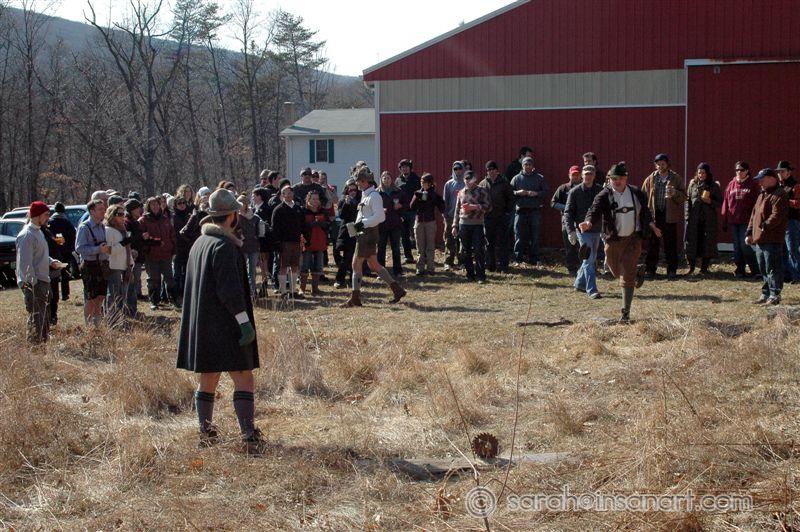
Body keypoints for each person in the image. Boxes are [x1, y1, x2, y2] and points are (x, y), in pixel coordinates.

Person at [176, 188, 264, 454]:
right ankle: (248, 435)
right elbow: (230, 291)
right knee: (244, 377)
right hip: (226, 324)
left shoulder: (200, 243)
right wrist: (244, 322)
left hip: (204, 324)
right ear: (232, 216)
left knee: (209, 378)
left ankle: (205, 432)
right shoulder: (223, 246)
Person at [580, 163, 662, 323]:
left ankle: (625, 314)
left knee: (627, 277)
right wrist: (588, 222)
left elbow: (645, 212)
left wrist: (652, 226)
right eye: (614, 179)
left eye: (620, 178)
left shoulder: (636, 193)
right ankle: (635, 274)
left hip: (633, 239)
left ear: (626, 178)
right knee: (616, 271)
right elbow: (594, 210)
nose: (617, 181)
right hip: (614, 239)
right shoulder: (604, 195)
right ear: (609, 179)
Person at [341, 167, 407, 307]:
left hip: (367, 234)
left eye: (359, 181)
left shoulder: (374, 196)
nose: (357, 184)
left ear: (365, 181)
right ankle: (397, 290)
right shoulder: (366, 194)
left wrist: (361, 224)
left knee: (356, 265)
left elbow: (380, 217)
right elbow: (365, 214)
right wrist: (357, 226)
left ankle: (355, 298)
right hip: (365, 233)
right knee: (373, 264)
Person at [16, 201, 62, 343]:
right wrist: (33, 285)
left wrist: (51, 261)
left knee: (44, 320)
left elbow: (39, 255)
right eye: (46, 214)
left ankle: (42, 347)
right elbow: (25, 264)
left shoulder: (39, 232)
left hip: (43, 280)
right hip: (34, 284)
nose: (48, 218)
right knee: (36, 320)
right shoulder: (27, 235)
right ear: (37, 215)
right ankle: (35, 349)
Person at [746, 168, 789, 305]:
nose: (760, 183)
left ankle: (775, 294)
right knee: (763, 267)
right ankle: (765, 293)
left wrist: (765, 225)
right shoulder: (762, 195)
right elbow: (754, 215)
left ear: (772, 179)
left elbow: (777, 215)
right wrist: (749, 232)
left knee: (773, 267)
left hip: (772, 238)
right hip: (760, 238)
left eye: (762, 180)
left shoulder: (780, 194)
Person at [641, 153, 686, 280]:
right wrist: (646, 214)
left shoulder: (675, 178)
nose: (660, 166)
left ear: (667, 164)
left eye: (663, 164)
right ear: (655, 165)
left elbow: (684, 197)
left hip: (669, 216)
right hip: (655, 216)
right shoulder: (650, 179)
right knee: (652, 245)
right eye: (658, 164)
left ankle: (672, 270)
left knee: (670, 244)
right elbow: (643, 196)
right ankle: (650, 270)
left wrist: (675, 193)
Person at [564, 165, 603, 298]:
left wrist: (605, 229)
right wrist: (570, 231)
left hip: (596, 229)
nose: (588, 176)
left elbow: (605, 210)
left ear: (594, 176)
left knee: (590, 259)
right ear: (582, 175)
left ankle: (579, 283)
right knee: (589, 258)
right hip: (582, 231)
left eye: (590, 174)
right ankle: (592, 290)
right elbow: (568, 213)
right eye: (586, 174)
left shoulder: (600, 191)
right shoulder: (575, 192)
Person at [722, 162, 760, 278]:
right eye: (737, 170)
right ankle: (740, 269)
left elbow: (758, 204)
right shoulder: (731, 184)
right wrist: (724, 220)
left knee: (745, 245)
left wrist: (756, 220)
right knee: (737, 246)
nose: (739, 172)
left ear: (747, 171)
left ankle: (755, 270)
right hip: (734, 221)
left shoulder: (752, 185)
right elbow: (726, 203)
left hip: (747, 221)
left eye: (742, 170)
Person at [139, 196, 178, 310]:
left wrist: (173, 249)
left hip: (166, 254)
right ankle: (154, 301)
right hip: (152, 255)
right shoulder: (143, 220)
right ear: (148, 206)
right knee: (153, 279)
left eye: (157, 204)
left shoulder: (165, 219)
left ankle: (173, 300)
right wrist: (147, 249)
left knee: (169, 278)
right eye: (152, 204)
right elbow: (141, 237)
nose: (155, 206)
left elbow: (172, 235)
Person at [76, 199, 111, 325]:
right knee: (91, 298)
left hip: (103, 265)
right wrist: (98, 249)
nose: (103, 211)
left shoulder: (103, 226)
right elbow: (79, 248)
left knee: (101, 296)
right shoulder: (84, 227)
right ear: (92, 211)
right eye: (100, 209)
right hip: (90, 266)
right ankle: (89, 325)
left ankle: (97, 323)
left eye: (104, 209)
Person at [453, 170, 491, 283]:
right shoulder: (461, 192)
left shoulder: (482, 190)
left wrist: (474, 207)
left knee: (479, 250)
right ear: (463, 180)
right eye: (466, 179)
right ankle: (470, 274)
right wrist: (454, 225)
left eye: (471, 179)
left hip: (477, 224)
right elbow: (457, 210)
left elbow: (489, 207)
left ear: (475, 179)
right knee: (466, 251)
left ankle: (481, 276)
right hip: (463, 224)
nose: (469, 181)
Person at [685, 163, 722, 275]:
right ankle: (691, 267)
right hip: (694, 219)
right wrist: (687, 216)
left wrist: (710, 201)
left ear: (707, 173)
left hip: (708, 220)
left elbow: (720, 202)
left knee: (707, 243)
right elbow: (688, 201)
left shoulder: (713, 185)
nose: (701, 175)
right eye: (699, 172)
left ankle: (704, 268)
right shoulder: (693, 184)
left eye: (703, 173)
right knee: (691, 243)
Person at [510, 156, 549, 267]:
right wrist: (517, 193)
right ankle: (518, 259)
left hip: (534, 211)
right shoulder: (516, 178)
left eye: (529, 164)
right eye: (525, 164)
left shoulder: (539, 178)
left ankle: (534, 259)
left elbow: (546, 191)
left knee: (535, 236)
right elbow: (509, 192)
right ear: (522, 166)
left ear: (533, 166)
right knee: (518, 235)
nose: (527, 166)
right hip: (520, 211)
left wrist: (536, 193)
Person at [479, 161, 515, 274]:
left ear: (496, 170)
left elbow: (511, 198)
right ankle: (490, 265)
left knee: (503, 242)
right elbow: (479, 199)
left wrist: (507, 212)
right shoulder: (482, 184)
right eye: (488, 170)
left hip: (501, 217)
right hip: (488, 218)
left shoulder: (504, 183)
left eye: (492, 169)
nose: (490, 172)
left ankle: (503, 266)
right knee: (489, 242)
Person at [271, 184, 305, 299]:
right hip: (283, 243)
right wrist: (277, 243)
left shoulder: (298, 209)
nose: (289, 195)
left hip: (296, 242)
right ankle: (283, 292)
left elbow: (303, 225)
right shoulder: (278, 210)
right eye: (286, 193)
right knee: (283, 267)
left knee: (295, 266)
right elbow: (274, 228)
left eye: (291, 192)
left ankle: (293, 290)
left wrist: (305, 237)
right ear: (282, 195)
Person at [410, 173, 445, 275]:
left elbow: (442, 206)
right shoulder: (417, 193)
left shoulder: (434, 194)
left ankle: (430, 268)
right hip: (419, 222)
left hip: (430, 222)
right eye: (421, 182)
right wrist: (417, 197)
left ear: (429, 183)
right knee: (420, 247)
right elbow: (411, 207)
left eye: (424, 182)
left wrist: (434, 198)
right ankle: (420, 268)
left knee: (430, 246)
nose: (422, 184)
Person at [104, 204, 133, 327]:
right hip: (113, 266)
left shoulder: (123, 229)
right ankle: (112, 320)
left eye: (123, 214)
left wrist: (130, 261)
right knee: (113, 295)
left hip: (124, 266)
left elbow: (126, 249)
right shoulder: (108, 230)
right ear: (112, 215)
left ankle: (120, 318)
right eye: (119, 214)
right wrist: (122, 244)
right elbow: (108, 250)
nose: (122, 217)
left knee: (122, 295)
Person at [551, 165, 582, 275]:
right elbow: (553, 203)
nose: (575, 177)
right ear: (569, 175)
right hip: (567, 221)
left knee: (583, 245)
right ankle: (571, 268)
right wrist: (566, 208)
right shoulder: (563, 188)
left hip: (581, 221)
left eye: (577, 175)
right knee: (570, 245)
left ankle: (583, 267)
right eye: (573, 175)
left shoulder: (585, 188)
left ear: (581, 175)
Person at [300, 190, 330, 295]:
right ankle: (302, 289)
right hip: (307, 243)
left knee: (318, 266)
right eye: (313, 199)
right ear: (308, 200)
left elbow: (328, 225)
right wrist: (313, 224)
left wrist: (322, 224)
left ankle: (315, 289)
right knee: (304, 266)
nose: (316, 201)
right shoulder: (303, 211)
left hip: (320, 242)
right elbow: (301, 226)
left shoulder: (323, 211)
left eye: (317, 199)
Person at [775, 160, 800, 283]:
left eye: (782, 171)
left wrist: (785, 201)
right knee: (782, 249)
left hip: (792, 221)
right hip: (780, 221)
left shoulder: (795, 186)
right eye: (778, 171)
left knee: (792, 249)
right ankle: (787, 275)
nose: (779, 173)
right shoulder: (778, 186)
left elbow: (798, 204)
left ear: (789, 172)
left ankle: (797, 275)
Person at [377, 171, 405, 278]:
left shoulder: (398, 191)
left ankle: (398, 271)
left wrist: (400, 206)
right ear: (381, 180)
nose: (386, 180)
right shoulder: (377, 192)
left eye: (388, 178)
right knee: (381, 248)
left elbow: (406, 204)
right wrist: (380, 210)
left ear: (391, 179)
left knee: (396, 248)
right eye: (384, 178)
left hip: (395, 224)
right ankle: (381, 272)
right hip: (382, 224)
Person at [334, 180, 360, 288]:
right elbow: (341, 216)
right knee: (347, 257)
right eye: (350, 190)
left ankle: (353, 279)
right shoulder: (343, 200)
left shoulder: (360, 200)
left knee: (356, 257)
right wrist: (347, 204)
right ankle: (340, 279)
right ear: (347, 190)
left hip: (358, 228)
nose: (353, 192)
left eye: (355, 190)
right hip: (347, 230)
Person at [48, 202, 76, 301]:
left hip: (54, 253)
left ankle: (54, 294)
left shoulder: (51, 222)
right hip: (65, 252)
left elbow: (51, 236)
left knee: (54, 274)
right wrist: (70, 247)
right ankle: (65, 294)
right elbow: (73, 234)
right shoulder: (67, 222)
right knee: (65, 272)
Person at [442, 161, 466, 270]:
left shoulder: (466, 183)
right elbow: (445, 200)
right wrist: (445, 215)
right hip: (450, 216)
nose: (458, 171)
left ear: (463, 169)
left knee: (463, 239)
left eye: (459, 168)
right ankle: (448, 261)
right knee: (449, 239)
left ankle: (462, 261)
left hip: (464, 216)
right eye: (455, 169)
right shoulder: (449, 184)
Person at [124, 199, 146, 315]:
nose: (140, 210)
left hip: (138, 256)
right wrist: (141, 236)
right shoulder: (127, 223)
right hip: (131, 257)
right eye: (138, 208)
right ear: (132, 210)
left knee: (134, 283)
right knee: (131, 284)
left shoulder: (135, 222)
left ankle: (133, 308)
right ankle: (130, 309)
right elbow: (129, 240)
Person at [237, 195, 261, 299]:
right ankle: (243, 292)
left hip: (254, 246)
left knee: (252, 270)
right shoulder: (236, 217)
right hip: (242, 246)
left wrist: (257, 235)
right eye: (240, 203)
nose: (242, 205)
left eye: (243, 203)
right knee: (242, 270)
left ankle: (253, 292)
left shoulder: (254, 217)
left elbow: (260, 231)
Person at [396, 159, 420, 264]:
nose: (405, 169)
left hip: (414, 211)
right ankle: (408, 256)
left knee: (417, 234)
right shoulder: (398, 181)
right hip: (402, 212)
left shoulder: (416, 179)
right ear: (400, 169)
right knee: (404, 235)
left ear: (410, 168)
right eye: (402, 167)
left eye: (406, 167)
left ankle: (421, 256)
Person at [172, 195, 192, 297]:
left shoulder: (190, 215)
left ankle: (185, 291)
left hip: (188, 247)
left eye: (184, 202)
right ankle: (176, 293)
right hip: (178, 247)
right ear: (175, 205)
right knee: (177, 272)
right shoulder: (173, 217)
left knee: (187, 271)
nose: (182, 205)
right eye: (179, 203)